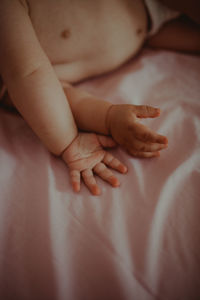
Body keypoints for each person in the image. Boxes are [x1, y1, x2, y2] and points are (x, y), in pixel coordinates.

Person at [0, 0, 199, 195]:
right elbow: (64, 99)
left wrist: (66, 141)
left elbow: (29, 72)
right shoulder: (14, 93)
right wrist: (108, 118)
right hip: (153, 28)